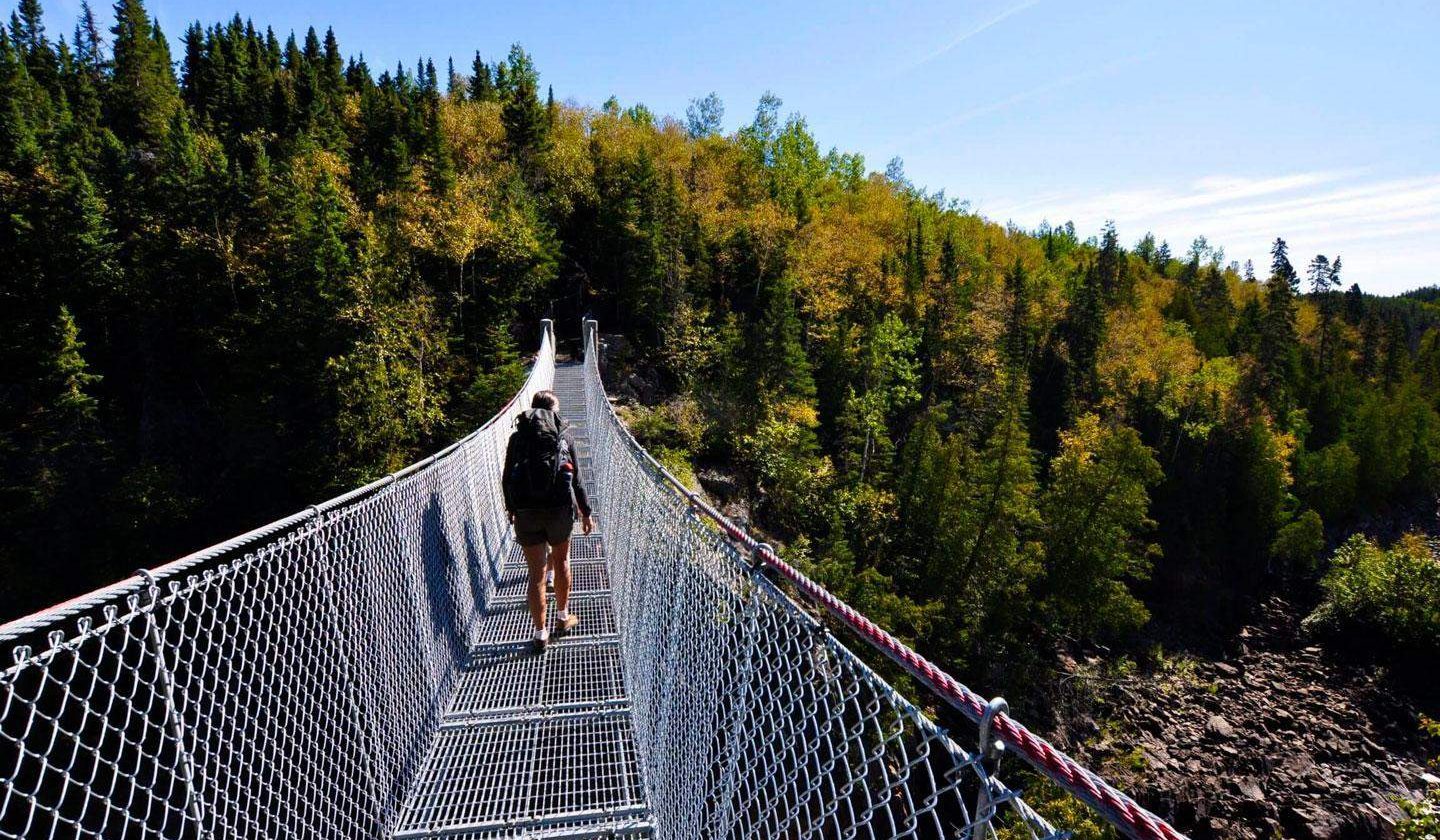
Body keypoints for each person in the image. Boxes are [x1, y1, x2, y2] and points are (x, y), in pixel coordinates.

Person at [502, 390, 594, 651]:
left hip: (526, 512)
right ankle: (563, 618)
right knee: (562, 560)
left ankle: (540, 633)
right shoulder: (564, 436)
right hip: (559, 510)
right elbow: (577, 480)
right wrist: (586, 513)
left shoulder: (518, 437)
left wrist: (511, 508)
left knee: (536, 573)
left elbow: (507, 477)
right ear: (553, 412)